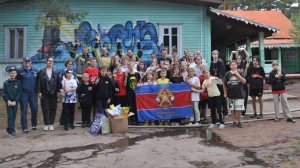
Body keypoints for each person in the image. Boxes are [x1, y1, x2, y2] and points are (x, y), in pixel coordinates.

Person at [37, 57, 61, 131]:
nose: (50, 62)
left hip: (53, 93)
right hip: (44, 93)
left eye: (52, 61)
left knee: (53, 108)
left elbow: (58, 83)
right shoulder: (41, 71)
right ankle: (46, 124)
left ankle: (51, 124)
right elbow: (38, 82)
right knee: (45, 108)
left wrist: (58, 91)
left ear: (53, 63)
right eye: (49, 61)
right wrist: (39, 91)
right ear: (46, 62)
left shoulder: (56, 72)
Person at [17, 57, 39, 133]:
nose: (27, 63)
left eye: (28, 61)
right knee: (24, 110)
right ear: (23, 62)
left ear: (31, 62)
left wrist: (38, 91)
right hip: (23, 93)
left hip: (33, 92)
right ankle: (24, 127)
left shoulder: (35, 70)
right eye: (25, 61)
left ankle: (34, 124)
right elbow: (17, 82)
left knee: (35, 109)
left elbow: (37, 82)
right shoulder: (19, 71)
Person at [223, 60, 246, 128]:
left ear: (237, 65)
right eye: (232, 65)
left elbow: (244, 82)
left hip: (239, 94)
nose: (233, 66)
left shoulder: (240, 72)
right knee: (232, 109)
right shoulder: (227, 74)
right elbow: (224, 84)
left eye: (235, 64)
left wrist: (237, 75)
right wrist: (225, 93)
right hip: (231, 95)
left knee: (238, 109)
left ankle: (239, 122)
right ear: (230, 66)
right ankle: (234, 122)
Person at [230, 48, 249, 116]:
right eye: (237, 58)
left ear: (241, 59)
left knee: (243, 98)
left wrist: (244, 50)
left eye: (240, 58)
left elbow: (247, 56)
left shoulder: (244, 65)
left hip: (243, 83)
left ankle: (242, 113)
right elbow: (230, 60)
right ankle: (236, 112)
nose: (238, 59)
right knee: (236, 98)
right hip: (235, 84)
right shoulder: (234, 65)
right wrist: (232, 53)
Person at [3, 66, 21, 138]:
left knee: (13, 116)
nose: (13, 74)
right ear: (9, 74)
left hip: (15, 102)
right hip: (9, 102)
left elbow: (19, 92)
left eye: (14, 73)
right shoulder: (6, 83)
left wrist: (15, 100)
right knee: (10, 116)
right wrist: (8, 100)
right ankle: (12, 131)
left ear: (16, 74)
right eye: (11, 73)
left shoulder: (18, 82)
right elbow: (4, 93)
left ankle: (8, 129)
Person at [210, 50, 228, 117]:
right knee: (217, 97)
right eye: (213, 54)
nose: (215, 55)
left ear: (218, 55)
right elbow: (211, 72)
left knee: (223, 97)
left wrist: (220, 80)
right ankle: (219, 112)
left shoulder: (220, 62)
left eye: (216, 54)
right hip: (214, 81)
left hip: (220, 81)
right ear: (212, 55)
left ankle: (225, 112)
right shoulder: (212, 63)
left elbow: (223, 72)